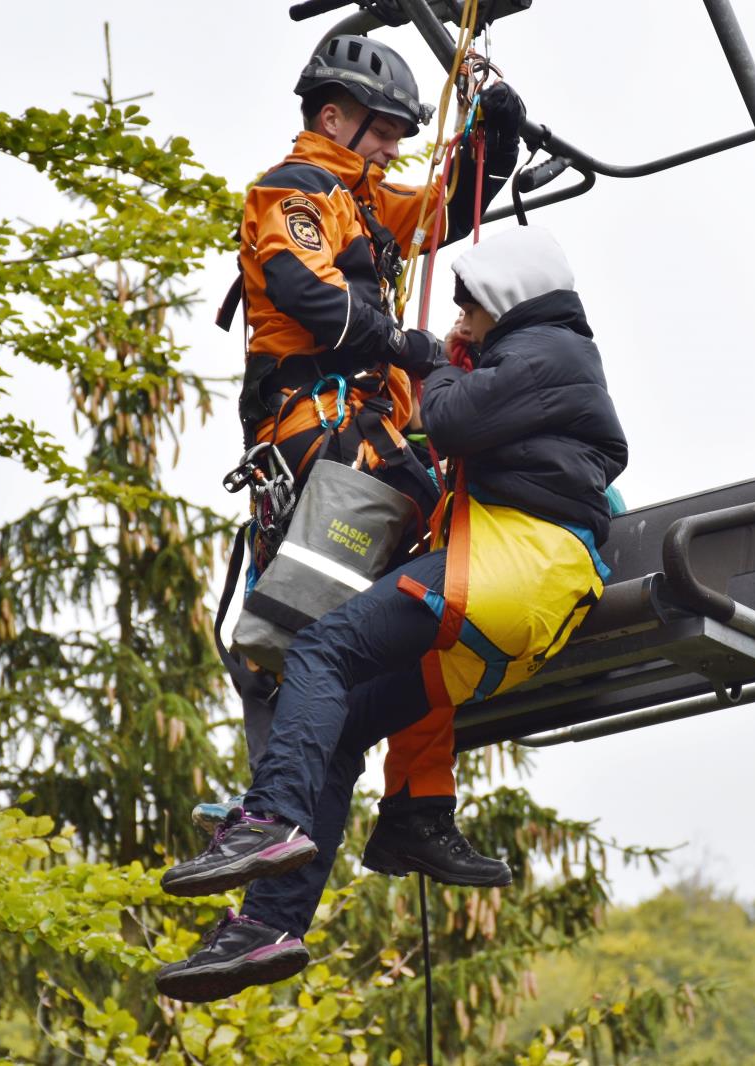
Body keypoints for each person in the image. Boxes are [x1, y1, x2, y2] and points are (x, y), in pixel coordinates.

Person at [155, 226, 627, 1002]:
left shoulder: (554, 351)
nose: (462, 326)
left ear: (506, 298)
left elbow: (450, 420)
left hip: (514, 570)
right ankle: (266, 929)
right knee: (338, 725)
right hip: (502, 613)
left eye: (470, 310)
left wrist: (430, 359)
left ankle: (271, 820)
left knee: (319, 654)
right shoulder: (537, 361)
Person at [202, 33, 525, 887]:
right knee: (355, 615)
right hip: (326, 434)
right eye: (381, 129)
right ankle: (281, 815)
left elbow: (444, 214)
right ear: (333, 115)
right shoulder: (297, 190)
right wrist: (411, 345)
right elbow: (312, 297)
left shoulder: (362, 198)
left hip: (370, 442)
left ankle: (415, 808)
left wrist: (496, 143)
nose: (390, 146)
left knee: (429, 610)